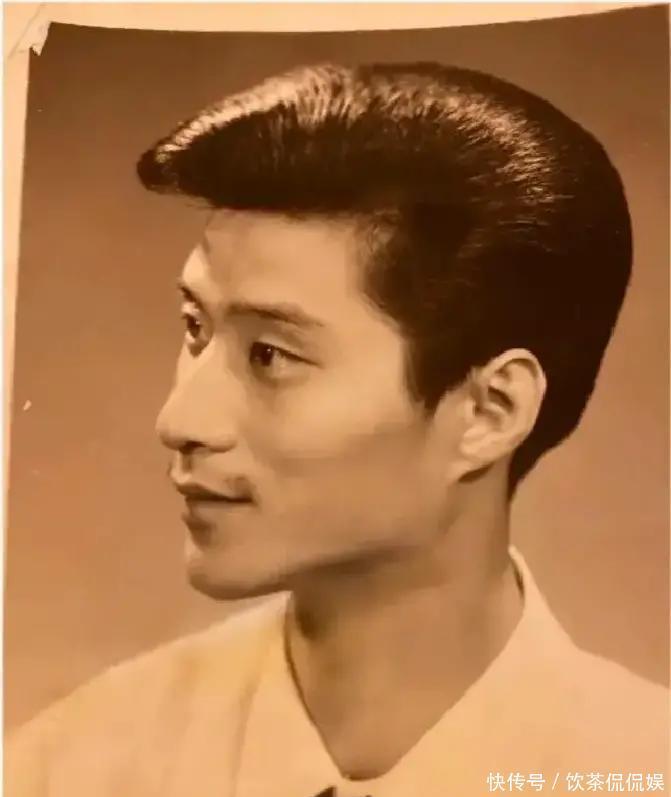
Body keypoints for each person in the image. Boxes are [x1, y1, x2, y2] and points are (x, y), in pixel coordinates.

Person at [6, 62, 668, 797]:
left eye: (270, 355)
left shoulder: (640, 766)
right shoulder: (68, 770)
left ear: (490, 411)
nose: (179, 420)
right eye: (195, 329)